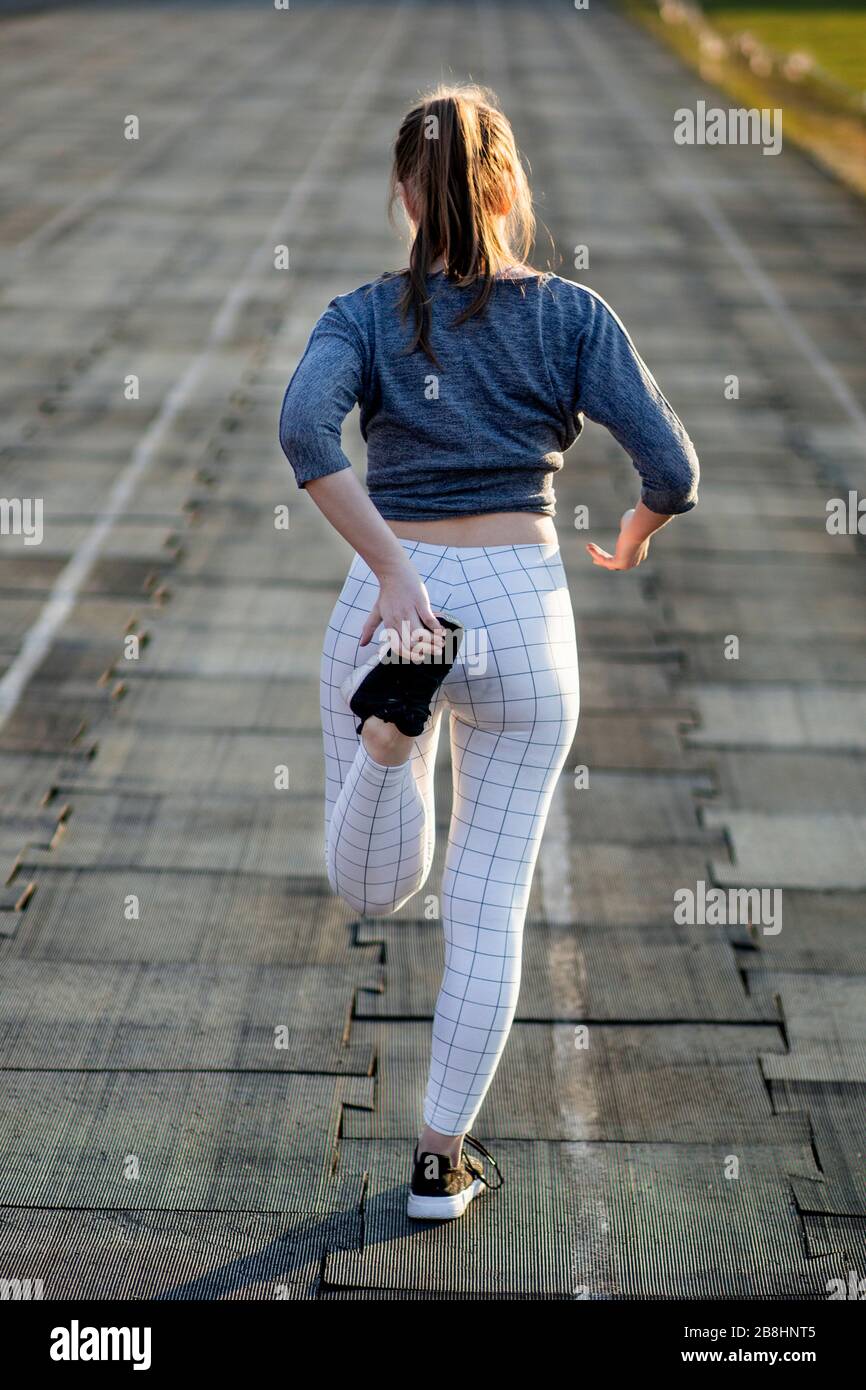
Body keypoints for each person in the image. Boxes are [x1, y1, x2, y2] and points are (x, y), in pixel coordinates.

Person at [279, 83, 699, 1221]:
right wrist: (633, 527)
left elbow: (303, 433)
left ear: (404, 197)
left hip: (394, 600)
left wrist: (396, 573)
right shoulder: (573, 315)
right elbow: (672, 468)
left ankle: (386, 737)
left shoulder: (359, 315)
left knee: (372, 885)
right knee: (484, 907)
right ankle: (436, 1162)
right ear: (506, 188)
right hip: (521, 606)